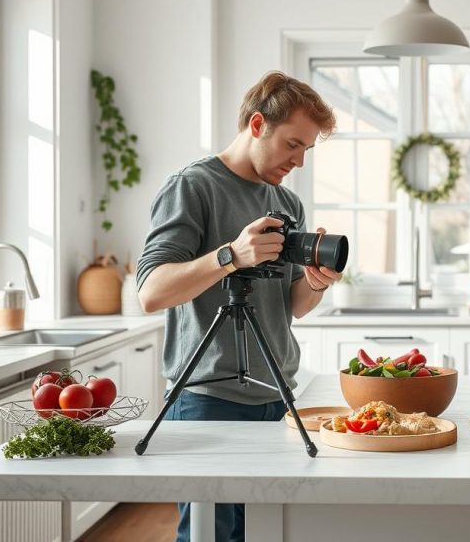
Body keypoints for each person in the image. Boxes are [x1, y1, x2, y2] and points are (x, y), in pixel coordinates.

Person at [136, 71, 341, 542]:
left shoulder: (286, 200)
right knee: (212, 535)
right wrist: (231, 255)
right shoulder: (192, 187)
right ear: (255, 125)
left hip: (279, 397)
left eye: (306, 150)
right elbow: (151, 291)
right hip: (209, 401)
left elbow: (294, 307)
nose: (299, 161)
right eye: (293, 144)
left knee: (269, 533)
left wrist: (318, 282)